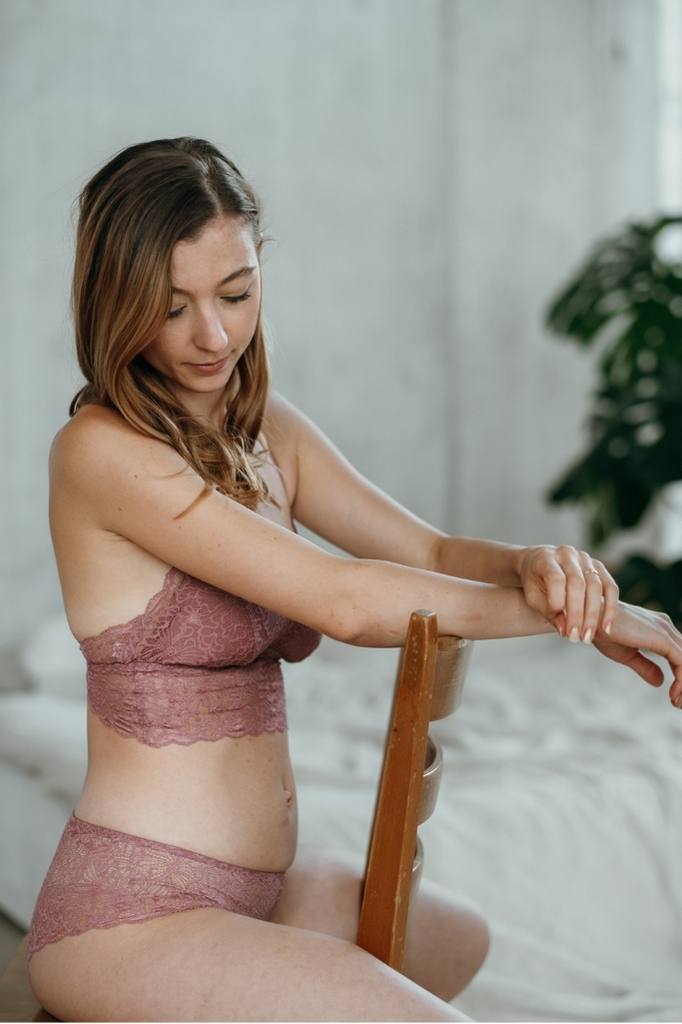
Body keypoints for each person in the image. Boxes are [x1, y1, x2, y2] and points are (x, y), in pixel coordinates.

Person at [25, 136, 682, 1023]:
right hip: (136, 912)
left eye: (235, 291)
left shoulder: (266, 432)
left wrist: (540, 570)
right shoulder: (103, 452)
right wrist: (572, 622)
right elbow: (345, 601)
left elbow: (433, 552)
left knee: (462, 939)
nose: (212, 334)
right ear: (114, 300)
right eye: (170, 305)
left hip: (265, 887)